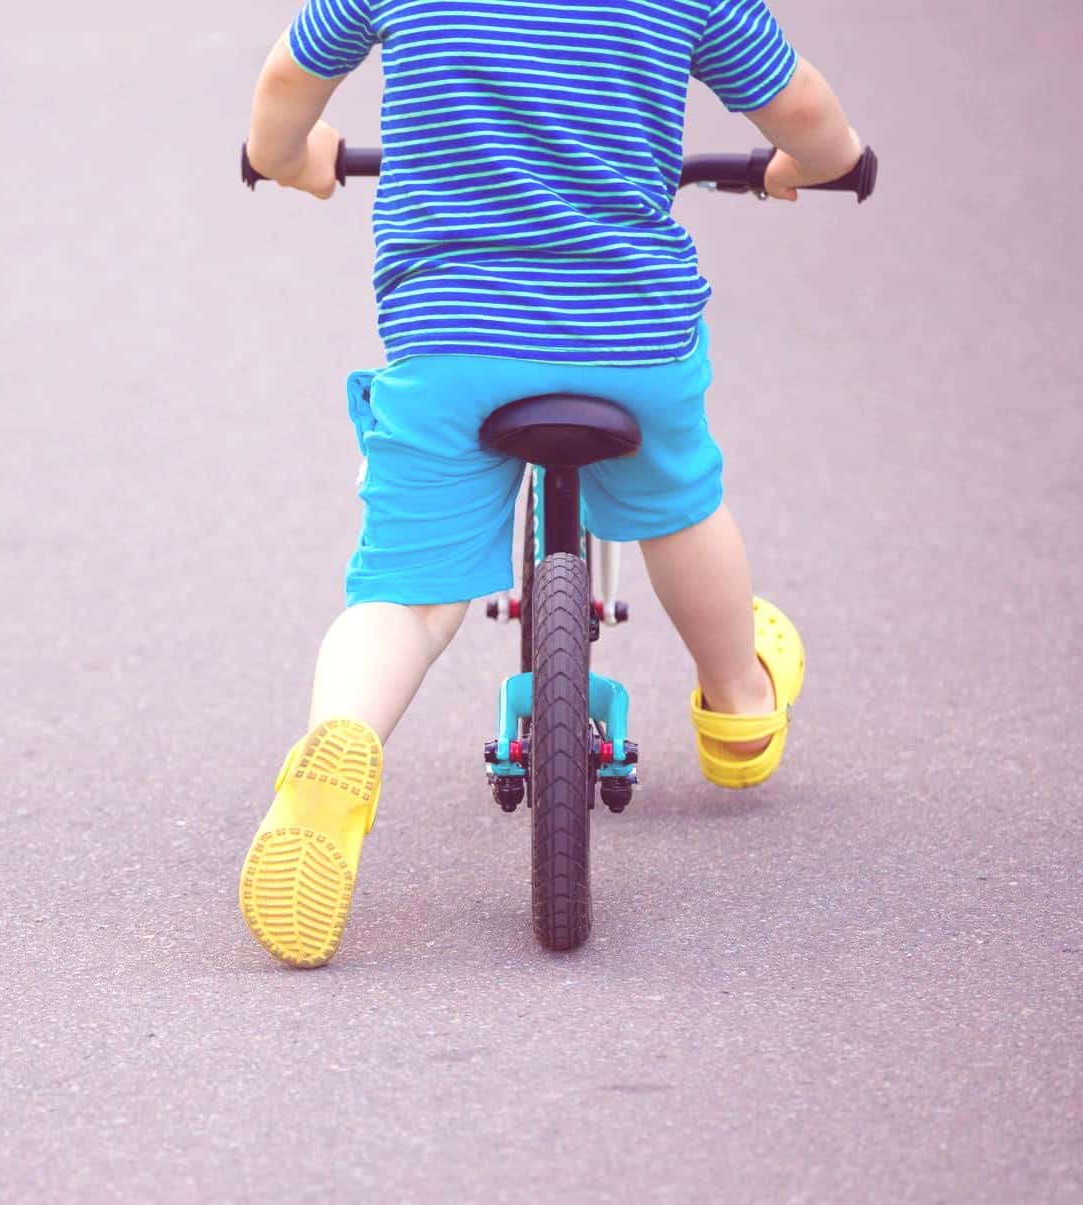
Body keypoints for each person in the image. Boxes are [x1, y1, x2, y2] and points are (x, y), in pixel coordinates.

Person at [239, 0, 865, 967]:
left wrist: (288, 157)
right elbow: (807, 117)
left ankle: (336, 755)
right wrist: (814, 166)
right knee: (681, 510)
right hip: (631, 342)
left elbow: (286, 86)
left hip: (454, 344)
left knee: (406, 598)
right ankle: (740, 704)